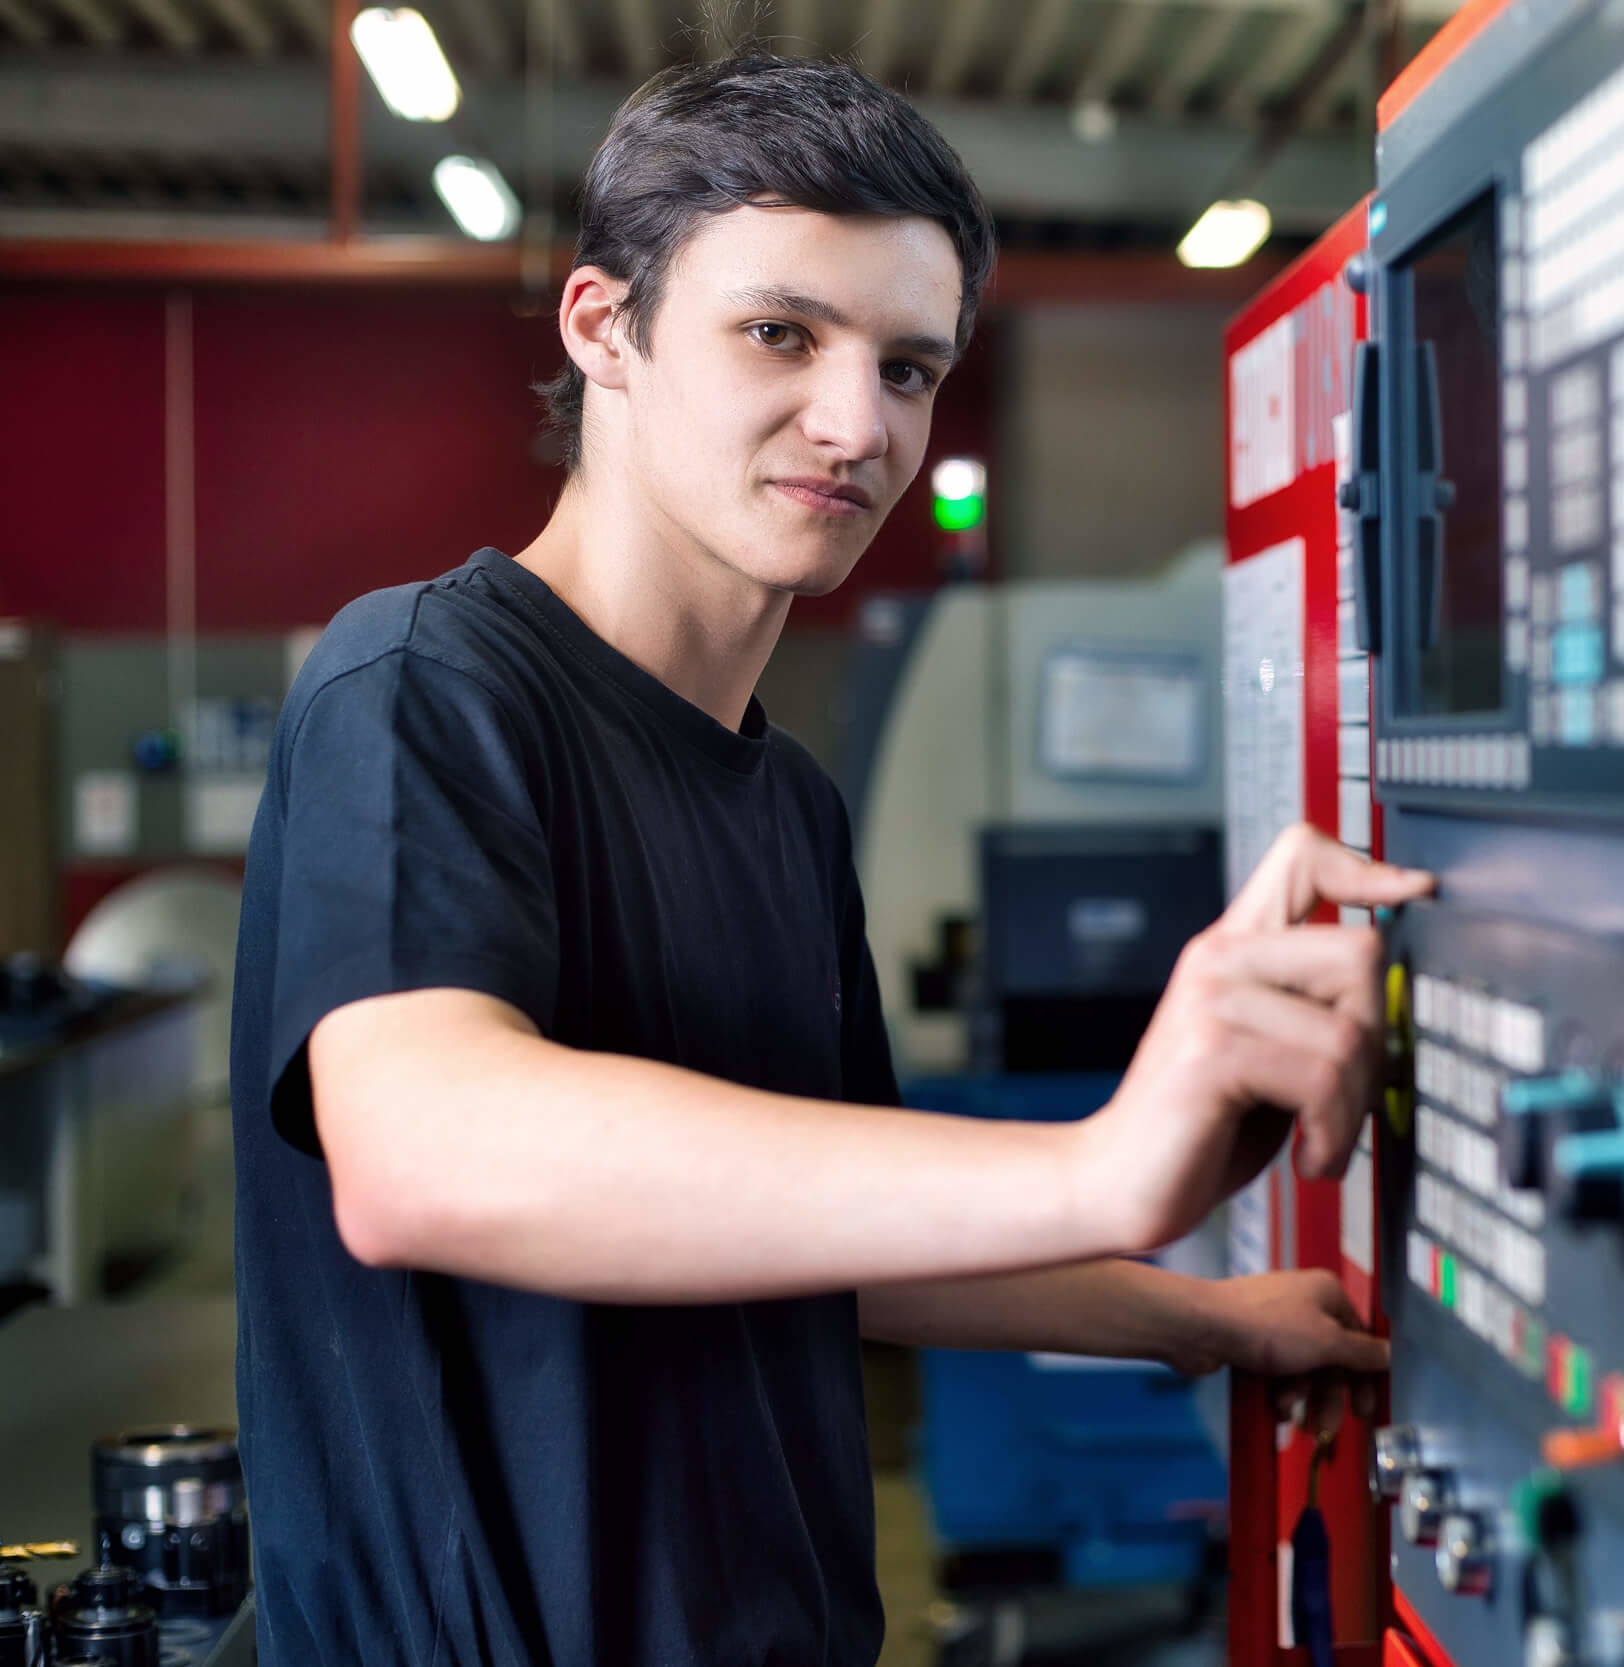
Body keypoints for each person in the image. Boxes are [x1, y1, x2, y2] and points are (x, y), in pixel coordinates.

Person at [227, 50, 1428, 1667]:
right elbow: (420, 1147)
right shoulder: (424, 687)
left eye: (912, 368)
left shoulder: (782, 801)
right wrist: (1100, 1159)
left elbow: (838, 1242)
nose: (858, 424)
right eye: (780, 333)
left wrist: (1198, 1319)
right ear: (606, 330)